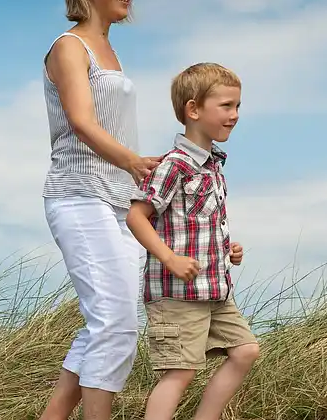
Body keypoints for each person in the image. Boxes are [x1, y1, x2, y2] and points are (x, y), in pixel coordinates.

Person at [39, 0, 161, 419]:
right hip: (79, 194)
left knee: (109, 324)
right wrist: (131, 160)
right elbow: (81, 120)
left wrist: (137, 175)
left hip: (119, 200)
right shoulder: (69, 46)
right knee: (115, 324)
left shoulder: (110, 50)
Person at [126, 62, 260, 420]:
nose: (234, 115)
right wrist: (170, 258)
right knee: (180, 372)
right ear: (193, 109)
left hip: (215, 289)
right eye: (226, 106)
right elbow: (136, 217)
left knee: (245, 350)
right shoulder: (175, 165)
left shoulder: (213, 166)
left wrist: (228, 249)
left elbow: (201, 224)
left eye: (237, 106)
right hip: (177, 293)